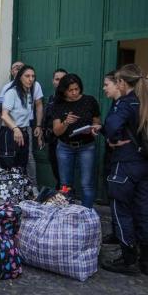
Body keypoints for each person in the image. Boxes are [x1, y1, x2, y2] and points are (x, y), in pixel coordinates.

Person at [95, 64, 148, 276]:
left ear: (121, 83)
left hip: (125, 165)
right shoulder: (147, 103)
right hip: (146, 166)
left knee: (121, 212)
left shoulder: (125, 104)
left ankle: (128, 258)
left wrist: (113, 140)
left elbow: (111, 127)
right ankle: (147, 261)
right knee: (144, 214)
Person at [51, 73, 101, 208]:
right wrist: (66, 122)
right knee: (65, 184)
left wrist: (93, 129)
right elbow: (56, 131)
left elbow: (97, 122)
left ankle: (86, 214)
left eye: (77, 89)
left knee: (87, 183)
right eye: (70, 90)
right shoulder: (58, 104)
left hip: (86, 146)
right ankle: (67, 213)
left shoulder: (89, 100)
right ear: (64, 91)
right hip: (65, 147)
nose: (74, 92)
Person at [0, 61, 44, 179]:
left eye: (33, 76)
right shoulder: (12, 92)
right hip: (10, 132)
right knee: (9, 169)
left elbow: (38, 105)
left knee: (22, 167)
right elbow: (4, 115)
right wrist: (15, 128)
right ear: (20, 77)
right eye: (27, 76)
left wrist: (37, 126)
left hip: (24, 132)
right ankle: (8, 197)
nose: (31, 79)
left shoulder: (29, 93)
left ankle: (23, 194)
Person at [101, 70, 123, 244]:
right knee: (114, 199)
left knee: (121, 202)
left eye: (107, 84)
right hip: (112, 158)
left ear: (119, 84)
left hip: (122, 161)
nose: (104, 88)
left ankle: (126, 244)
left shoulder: (126, 105)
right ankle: (117, 233)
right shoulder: (116, 104)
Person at [43, 68, 68, 188]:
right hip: (52, 141)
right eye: (57, 79)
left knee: (65, 175)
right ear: (53, 81)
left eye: (63, 79)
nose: (60, 82)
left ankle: (64, 198)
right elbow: (47, 119)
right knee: (56, 170)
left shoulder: (71, 99)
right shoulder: (51, 99)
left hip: (65, 142)